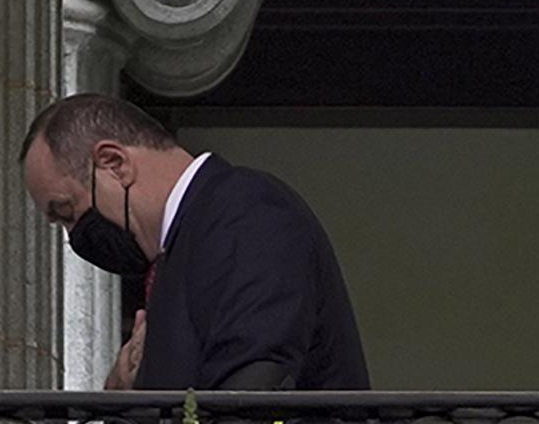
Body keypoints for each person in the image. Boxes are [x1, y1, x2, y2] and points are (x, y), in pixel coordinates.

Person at [18, 92, 368, 392]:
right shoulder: (187, 242)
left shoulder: (244, 210)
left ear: (114, 163)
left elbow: (254, 383)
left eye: (67, 211)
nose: (73, 235)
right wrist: (123, 399)